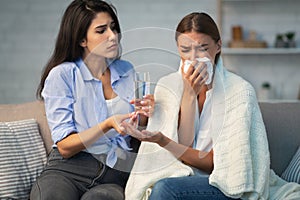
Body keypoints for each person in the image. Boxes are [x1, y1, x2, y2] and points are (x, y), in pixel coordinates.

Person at [123, 12, 300, 200]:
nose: (193, 58)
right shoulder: (168, 86)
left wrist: (163, 141)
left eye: (202, 49)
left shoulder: (239, 91)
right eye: (185, 50)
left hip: (221, 183)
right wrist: (188, 96)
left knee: (165, 189)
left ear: (218, 46)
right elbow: (182, 151)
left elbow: (214, 165)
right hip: (180, 176)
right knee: (162, 187)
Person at [30, 0, 153, 199]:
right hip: (69, 170)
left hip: (114, 174)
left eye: (113, 28)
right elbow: (65, 147)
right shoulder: (63, 75)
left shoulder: (126, 70)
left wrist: (146, 115)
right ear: (82, 40)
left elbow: (136, 127)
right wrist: (107, 125)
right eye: (101, 30)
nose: (113, 36)